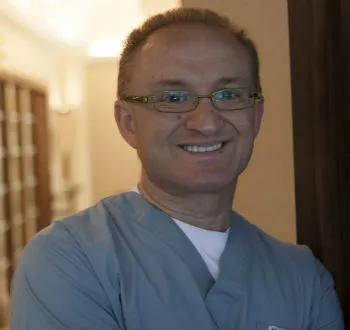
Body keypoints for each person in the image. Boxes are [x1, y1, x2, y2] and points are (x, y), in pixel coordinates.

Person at [11, 7, 344, 330]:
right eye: (173, 98)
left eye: (228, 94)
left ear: (255, 117)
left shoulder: (301, 277)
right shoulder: (67, 261)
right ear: (128, 123)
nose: (207, 123)